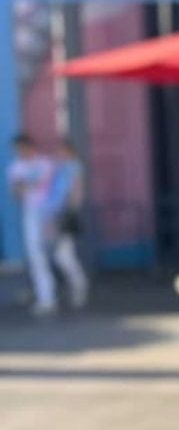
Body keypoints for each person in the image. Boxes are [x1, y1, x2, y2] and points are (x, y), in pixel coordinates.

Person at [8, 134, 61, 316]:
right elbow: (15, 191)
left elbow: (51, 185)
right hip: (31, 214)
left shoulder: (45, 163)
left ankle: (70, 289)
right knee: (36, 255)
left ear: (29, 146)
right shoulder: (16, 167)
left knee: (59, 254)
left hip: (50, 214)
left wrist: (26, 184)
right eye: (16, 150)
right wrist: (24, 186)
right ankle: (46, 298)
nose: (19, 152)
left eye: (21, 148)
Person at [41, 140, 89, 310]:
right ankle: (75, 286)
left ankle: (79, 286)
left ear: (69, 151)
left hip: (63, 216)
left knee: (63, 255)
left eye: (61, 151)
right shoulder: (59, 169)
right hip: (55, 215)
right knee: (61, 255)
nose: (58, 154)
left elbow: (76, 193)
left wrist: (69, 211)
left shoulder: (73, 168)